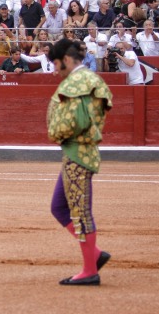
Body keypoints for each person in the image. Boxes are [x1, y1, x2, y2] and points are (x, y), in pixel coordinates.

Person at [47, 38, 113, 286]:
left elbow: (77, 119)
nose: (55, 71)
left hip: (78, 152)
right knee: (60, 207)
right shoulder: (89, 80)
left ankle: (89, 270)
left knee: (80, 212)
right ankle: (94, 255)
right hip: (75, 152)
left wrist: (56, 132)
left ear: (65, 59)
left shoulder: (78, 82)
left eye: (55, 64)